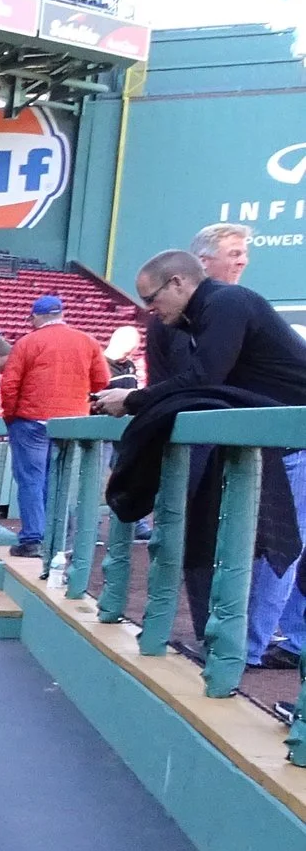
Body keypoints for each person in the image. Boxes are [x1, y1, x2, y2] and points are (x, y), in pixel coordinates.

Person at [98, 248, 306, 648]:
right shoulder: (205, 312)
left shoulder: (227, 301)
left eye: (151, 298)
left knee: (282, 543)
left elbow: (202, 377)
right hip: (280, 434)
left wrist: (133, 400)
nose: (149, 310)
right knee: (277, 542)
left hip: (294, 434)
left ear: (178, 282)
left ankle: (247, 648)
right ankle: (269, 644)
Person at [0, 294, 108, 561]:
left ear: (36, 317)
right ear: (61, 314)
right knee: (57, 480)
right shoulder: (88, 341)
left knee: (31, 480)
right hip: (72, 423)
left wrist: (11, 417)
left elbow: (9, 385)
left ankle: (33, 539)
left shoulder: (27, 342)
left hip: (32, 421)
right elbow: (102, 382)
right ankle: (58, 537)